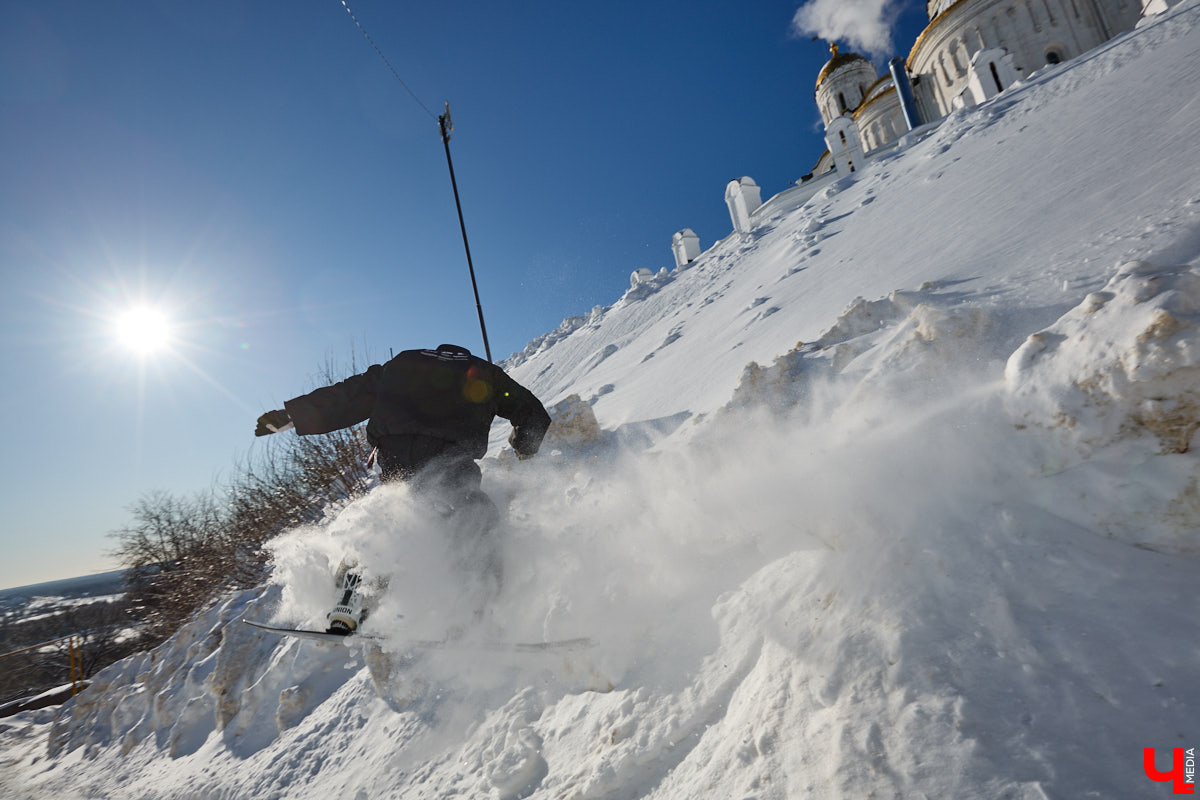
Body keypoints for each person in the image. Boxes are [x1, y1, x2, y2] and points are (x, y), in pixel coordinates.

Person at [255, 343, 551, 634]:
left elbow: (348, 395)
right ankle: (480, 612)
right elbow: (531, 411)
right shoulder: (484, 372)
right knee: (476, 520)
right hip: (450, 457)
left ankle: (350, 606)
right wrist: (524, 447)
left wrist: (291, 416)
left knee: (388, 521)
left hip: (397, 452)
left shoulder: (402, 365)